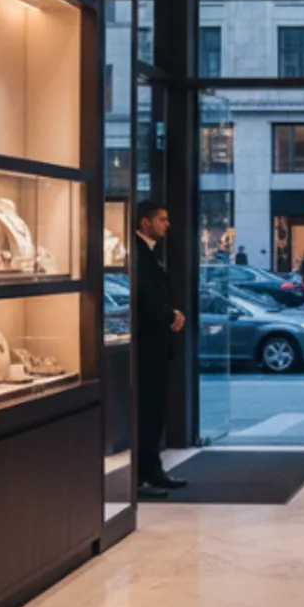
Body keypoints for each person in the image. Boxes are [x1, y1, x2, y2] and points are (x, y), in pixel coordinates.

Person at [135, 200, 186, 499]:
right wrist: (170, 315)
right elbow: (146, 298)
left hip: (155, 346)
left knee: (155, 411)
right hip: (147, 348)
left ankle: (152, 470)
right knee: (149, 412)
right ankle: (146, 473)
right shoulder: (138, 254)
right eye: (162, 219)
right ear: (145, 222)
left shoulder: (149, 253)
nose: (167, 224)